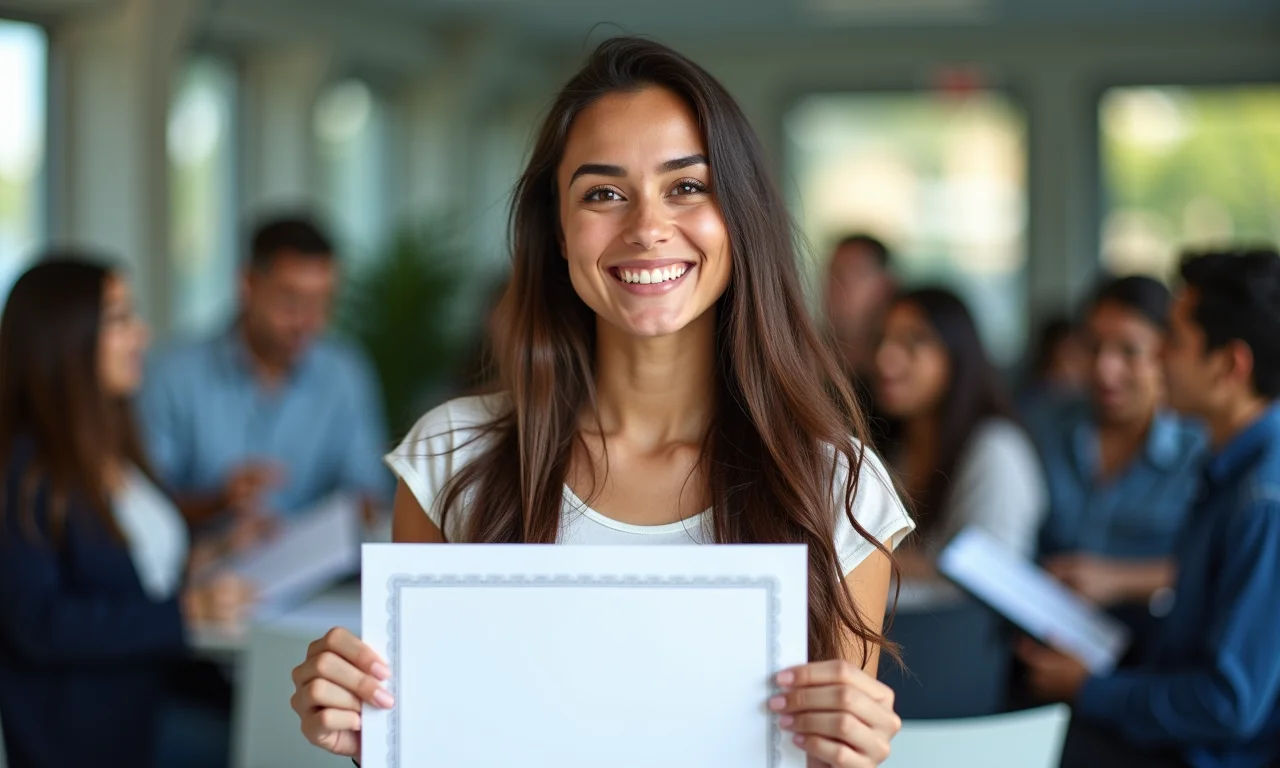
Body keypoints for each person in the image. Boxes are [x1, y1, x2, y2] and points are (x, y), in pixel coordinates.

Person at [289, 37, 916, 767]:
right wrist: (369, 737)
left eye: (687, 187)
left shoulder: (836, 485)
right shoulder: (451, 457)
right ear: (558, 232)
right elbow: (436, 741)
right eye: (603, 193)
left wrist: (854, 756)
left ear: (741, 217)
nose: (647, 227)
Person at [1020, 248, 1280, 768]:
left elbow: (1227, 704)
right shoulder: (1228, 468)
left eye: (1174, 342)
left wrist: (1090, 688)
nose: (1157, 357)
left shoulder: (1264, 500)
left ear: (1231, 365)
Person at [0, 258, 254, 768]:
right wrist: (182, 613)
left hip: (155, 691)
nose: (143, 333)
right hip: (88, 730)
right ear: (64, 338)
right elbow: (38, 621)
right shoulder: (24, 468)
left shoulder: (112, 444)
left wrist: (212, 551)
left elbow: (131, 569)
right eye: (120, 319)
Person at [140, 215, 392, 533]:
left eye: (322, 303)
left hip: (318, 573)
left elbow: (366, 487)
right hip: (205, 570)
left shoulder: (345, 372)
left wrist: (360, 508)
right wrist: (218, 501)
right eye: (290, 299)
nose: (307, 320)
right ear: (247, 285)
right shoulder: (173, 375)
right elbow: (144, 506)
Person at [1032, 277, 1205, 650]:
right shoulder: (1045, 424)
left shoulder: (1202, 449)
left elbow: (1215, 566)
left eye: (1129, 351)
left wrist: (1116, 580)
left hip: (1151, 651)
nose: (1104, 369)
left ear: (1166, 353)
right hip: (1041, 636)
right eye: (1094, 348)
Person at [874, 288, 1046, 589]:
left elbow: (992, 577)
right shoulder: (894, 449)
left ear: (957, 354)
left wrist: (868, 562)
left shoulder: (996, 450)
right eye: (883, 340)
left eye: (913, 341)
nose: (885, 358)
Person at [824, 234, 896, 440]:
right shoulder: (806, 360)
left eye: (855, 273)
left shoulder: (896, 379)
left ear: (887, 287)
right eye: (832, 273)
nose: (838, 284)